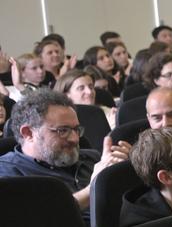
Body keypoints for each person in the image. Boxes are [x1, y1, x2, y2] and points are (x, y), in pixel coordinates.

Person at [0, 89, 129, 216]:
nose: (75, 139)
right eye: (62, 130)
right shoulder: (7, 173)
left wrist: (126, 169)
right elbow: (36, 221)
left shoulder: (92, 158)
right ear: (28, 133)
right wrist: (94, 188)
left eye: (76, 129)